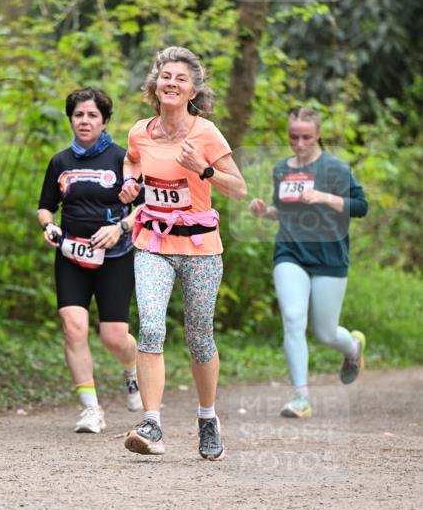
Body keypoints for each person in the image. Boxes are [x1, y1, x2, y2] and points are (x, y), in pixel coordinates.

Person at [118, 46, 247, 459]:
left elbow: (239, 188)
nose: (171, 83)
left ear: (193, 90)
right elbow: (131, 161)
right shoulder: (140, 130)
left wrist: (203, 170)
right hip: (152, 243)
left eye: (181, 79)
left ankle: (208, 418)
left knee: (199, 338)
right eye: (165, 76)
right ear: (155, 84)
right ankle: (151, 424)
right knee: (152, 326)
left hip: (200, 249)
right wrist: (130, 184)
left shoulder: (205, 134)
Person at [249, 106, 368, 418]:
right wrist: (265, 211)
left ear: (318, 136)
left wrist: (325, 197)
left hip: (329, 256)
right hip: (290, 252)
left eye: (306, 137)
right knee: (292, 317)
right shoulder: (281, 170)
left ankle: (352, 349)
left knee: (325, 332)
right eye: (293, 137)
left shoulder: (335, 169)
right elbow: (282, 209)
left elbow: (361, 206)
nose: (299, 144)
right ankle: (300, 397)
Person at [37, 87, 143, 434]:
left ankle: (132, 367)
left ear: (104, 120)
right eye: (79, 115)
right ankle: (91, 409)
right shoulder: (60, 162)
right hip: (71, 254)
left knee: (114, 337)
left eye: (92, 115)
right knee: (73, 327)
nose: (84, 121)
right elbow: (45, 206)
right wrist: (49, 226)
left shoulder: (122, 158)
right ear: (71, 119)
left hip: (115, 256)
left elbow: (146, 206)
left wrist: (120, 227)